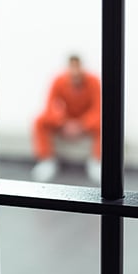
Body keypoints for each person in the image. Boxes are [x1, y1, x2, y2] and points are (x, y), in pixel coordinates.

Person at [31, 55, 101, 183]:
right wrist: (62, 122)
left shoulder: (93, 81)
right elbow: (51, 105)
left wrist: (82, 124)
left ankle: (97, 161)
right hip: (65, 120)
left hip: (85, 120)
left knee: (105, 124)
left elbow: (97, 108)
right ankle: (46, 160)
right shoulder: (58, 80)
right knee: (40, 121)